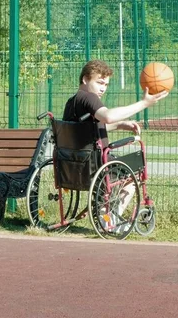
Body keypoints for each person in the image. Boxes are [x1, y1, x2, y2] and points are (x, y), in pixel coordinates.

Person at [62, 60, 169, 233]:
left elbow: (91, 128)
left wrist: (120, 125)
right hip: (96, 166)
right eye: (99, 82)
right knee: (133, 173)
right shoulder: (89, 98)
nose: (103, 88)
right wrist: (144, 103)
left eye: (106, 84)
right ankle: (109, 220)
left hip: (74, 166)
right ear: (85, 79)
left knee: (121, 169)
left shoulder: (72, 102)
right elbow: (109, 116)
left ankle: (105, 214)